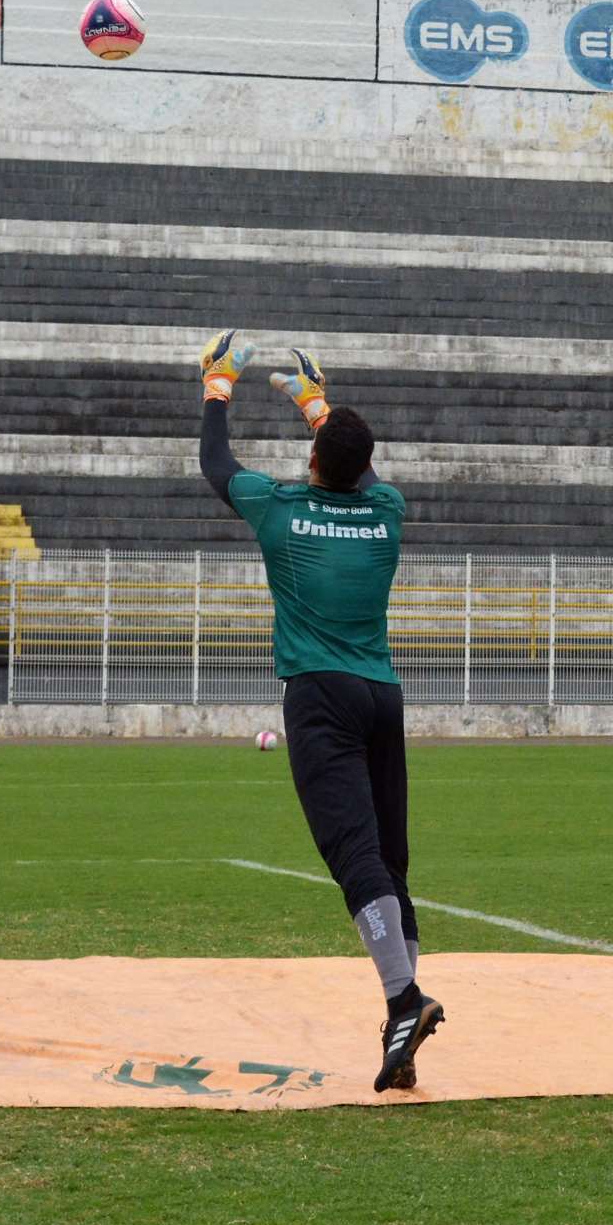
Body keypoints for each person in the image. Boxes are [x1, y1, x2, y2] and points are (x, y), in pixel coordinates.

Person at [197, 330, 437, 1092]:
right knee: (392, 862)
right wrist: (316, 404)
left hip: (320, 696)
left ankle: (403, 1001)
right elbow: (360, 472)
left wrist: (216, 390)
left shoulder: (280, 510)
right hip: (381, 695)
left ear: (311, 465)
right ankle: (403, 1034)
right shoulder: (387, 513)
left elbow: (216, 465)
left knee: (352, 857)